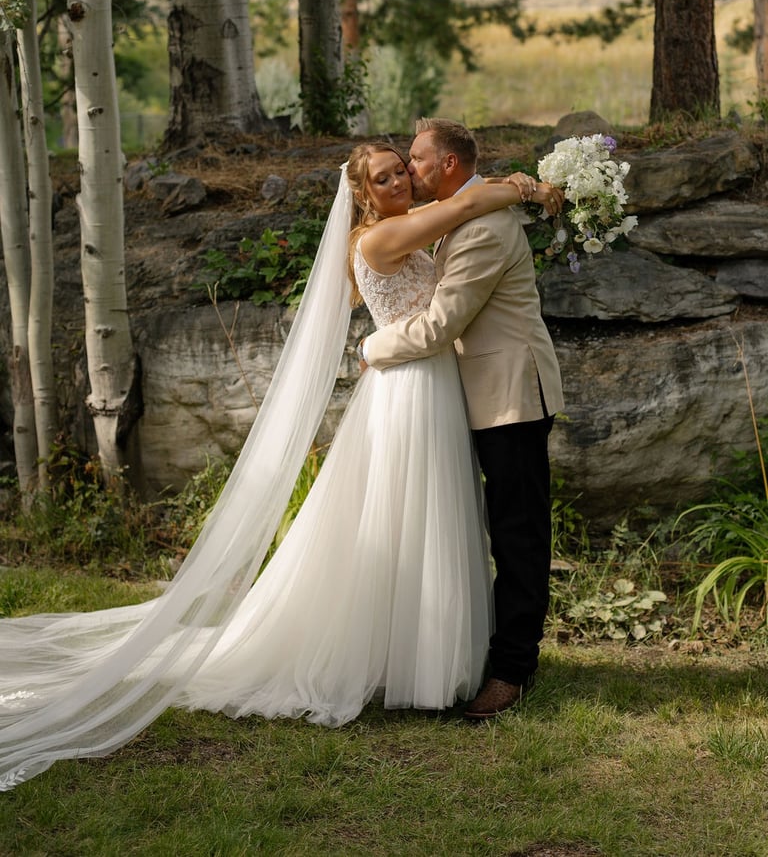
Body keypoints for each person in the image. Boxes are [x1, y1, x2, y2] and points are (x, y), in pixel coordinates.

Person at [0, 141, 560, 789]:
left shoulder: (415, 224)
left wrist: (511, 188)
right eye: (386, 175)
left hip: (431, 387)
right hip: (407, 387)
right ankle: (422, 661)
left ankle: (432, 658)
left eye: (405, 168)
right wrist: (519, 187)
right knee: (408, 517)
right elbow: (460, 229)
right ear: (364, 195)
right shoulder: (379, 240)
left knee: (431, 519)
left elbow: (460, 217)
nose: (402, 178)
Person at [362, 120, 565, 720]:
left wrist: (370, 350)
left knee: (517, 532)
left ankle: (512, 671)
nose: (409, 171)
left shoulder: (483, 227)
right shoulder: (459, 214)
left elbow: (440, 325)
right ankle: (470, 652)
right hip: (467, 395)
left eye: (416, 161)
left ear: (448, 165)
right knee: (478, 527)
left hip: (509, 397)